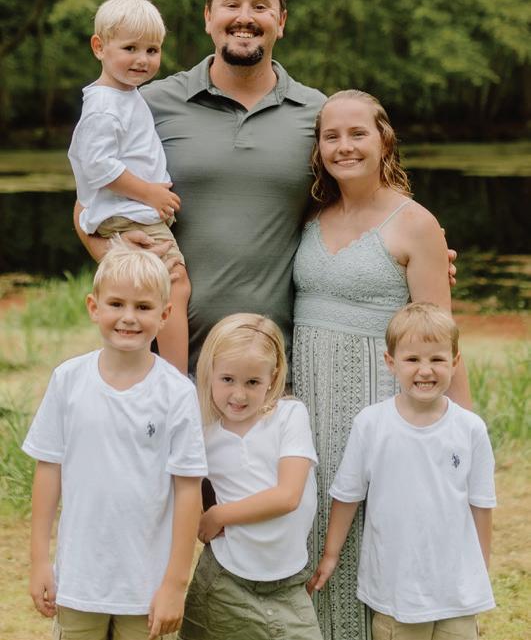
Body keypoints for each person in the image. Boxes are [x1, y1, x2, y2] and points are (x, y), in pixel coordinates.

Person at [73, 0, 457, 374]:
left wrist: (416, 255)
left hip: (277, 369)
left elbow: (356, 208)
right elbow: (87, 204)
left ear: (281, 21)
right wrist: (114, 253)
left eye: (260, 6)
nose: (245, 17)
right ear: (208, 17)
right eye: (231, 4)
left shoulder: (318, 115)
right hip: (163, 365)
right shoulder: (149, 102)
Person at [291, 89, 472, 640]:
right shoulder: (310, 215)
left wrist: (461, 435)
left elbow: (441, 333)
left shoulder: (415, 223)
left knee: (382, 537)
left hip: (382, 411)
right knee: (316, 532)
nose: (344, 146)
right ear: (319, 148)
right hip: (311, 409)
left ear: (384, 140)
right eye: (331, 136)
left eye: (358, 133)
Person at [23, 242, 207, 640]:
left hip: (146, 587)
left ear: (165, 314)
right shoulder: (68, 380)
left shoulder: (177, 393)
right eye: (116, 304)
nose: (128, 317)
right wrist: (39, 561)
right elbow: (48, 470)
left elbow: (188, 490)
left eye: (143, 307)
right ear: (94, 307)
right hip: (79, 581)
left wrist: (175, 584)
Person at [309, 302, 496, 640]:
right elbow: (348, 495)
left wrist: (480, 571)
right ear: (390, 362)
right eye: (412, 359)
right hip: (397, 592)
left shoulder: (471, 429)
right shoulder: (371, 424)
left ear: (455, 362)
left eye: (437, 359)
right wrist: (331, 554)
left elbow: (481, 505)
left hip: (457, 592)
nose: (425, 370)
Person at [179, 313, 323, 640]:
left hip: (286, 584)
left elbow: (288, 496)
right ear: (209, 372)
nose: (239, 395)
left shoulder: (289, 416)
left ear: (273, 376)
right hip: (225, 578)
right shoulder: (205, 432)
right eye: (227, 379)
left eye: (252, 382)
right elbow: (179, 483)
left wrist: (219, 515)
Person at [68, 0, 190, 372]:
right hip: (130, 212)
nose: (142, 59)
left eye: (152, 50)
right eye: (130, 48)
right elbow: (97, 166)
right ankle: (174, 377)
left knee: (146, 290)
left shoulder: (125, 95)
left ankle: (142, 369)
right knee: (174, 284)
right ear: (99, 47)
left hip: (132, 211)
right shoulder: (104, 106)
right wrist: (150, 193)